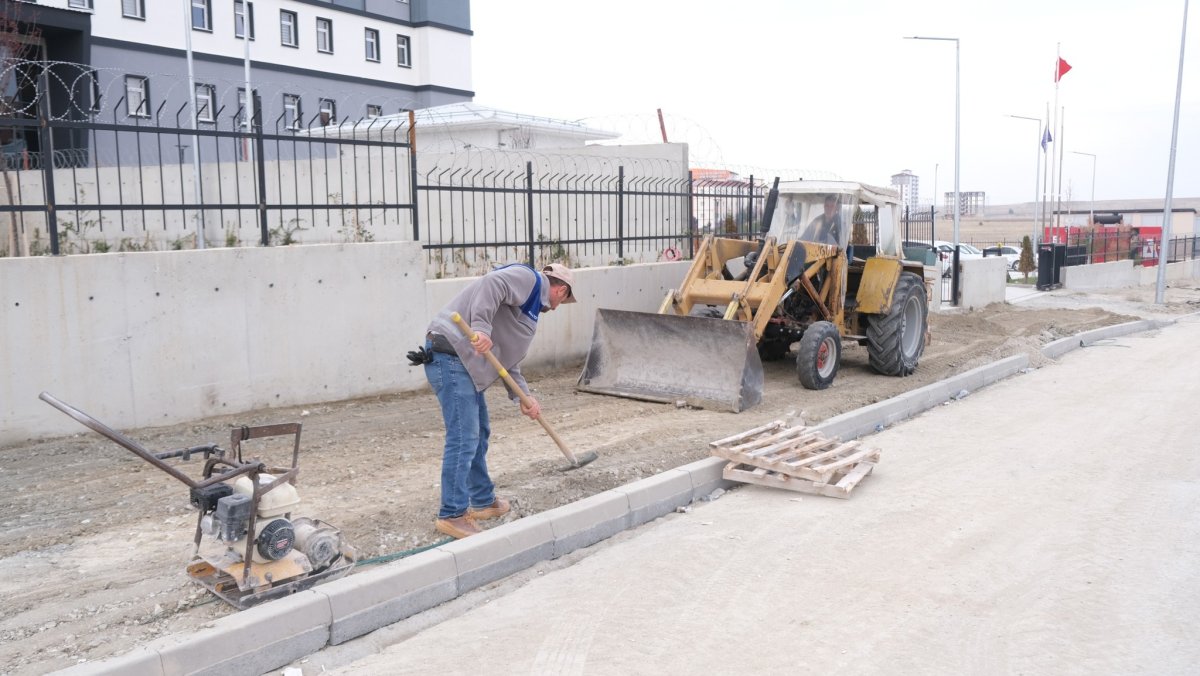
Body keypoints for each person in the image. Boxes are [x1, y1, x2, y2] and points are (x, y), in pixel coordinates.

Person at [409, 263, 577, 539]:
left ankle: (482, 500)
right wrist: (482, 328)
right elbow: (491, 284)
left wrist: (523, 396)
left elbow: (504, 359)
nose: (558, 306)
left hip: (465, 365)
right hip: (451, 357)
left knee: (479, 433)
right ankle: (452, 514)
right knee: (464, 436)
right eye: (564, 299)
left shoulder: (530, 309)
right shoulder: (530, 280)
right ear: (561, 288)